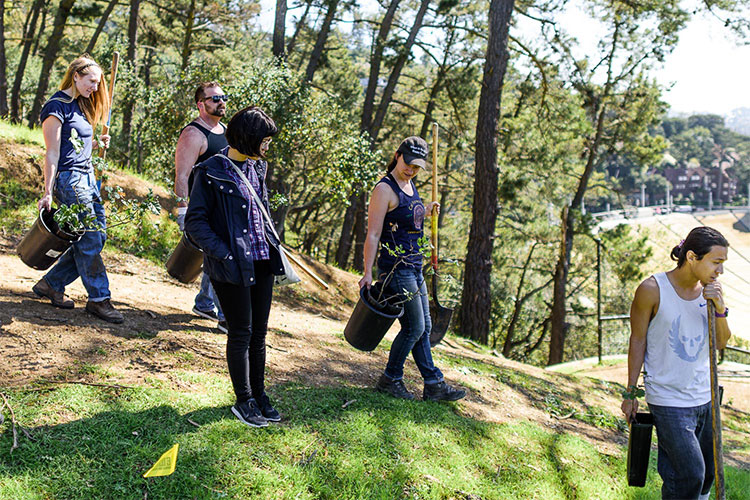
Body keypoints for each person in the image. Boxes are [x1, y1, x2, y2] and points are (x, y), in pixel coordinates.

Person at [185, 106, 285, 428]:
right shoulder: (211, 170)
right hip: (232, 266)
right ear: (248, 138)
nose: (267, 147)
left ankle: (260, 394)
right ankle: (243, 401)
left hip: (262, 262)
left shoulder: (257, 168)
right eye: (264, 141)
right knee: (240, 332)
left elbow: (261, 212)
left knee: (259, 334)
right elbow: (195, 223)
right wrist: (225, 255)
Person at [622, 226, 731, 500]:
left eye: (722, 264)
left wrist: (720, 309)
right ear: (692, 257)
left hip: (705, 396)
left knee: (706, 476)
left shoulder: (711, 292)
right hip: (668, 400)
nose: (720, 271)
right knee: (689, 474)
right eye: (716, 262)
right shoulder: (651, 289)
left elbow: (721, 343)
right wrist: (631, 392)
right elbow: (637, 341)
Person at [359, 136, 466, 402]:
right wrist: (368, 273)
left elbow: (407, 217)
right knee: (414, 328)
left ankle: (433, 384)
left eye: (417, 167)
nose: (411, 170)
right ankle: (390, 378)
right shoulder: (384, 190)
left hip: (415, 265)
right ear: (397, 155)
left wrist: (427, 210)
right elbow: (373, 234)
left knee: (424, 326)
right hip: (396, 268)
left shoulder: (410, 185)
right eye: (408, 164)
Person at [32, 54, 123, 324]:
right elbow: (52, 153)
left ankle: (51, 283)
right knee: (91, 238)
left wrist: (96, 145)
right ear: (76, 76)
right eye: (91, 81)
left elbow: (77, 147)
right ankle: (99, 299)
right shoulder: (56, 107)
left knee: (97, 237)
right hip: (70, 180)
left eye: (98, 83)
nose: (95, 87)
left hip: (88, 177)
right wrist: (48, 191)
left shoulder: (81, 105)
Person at [174, 82, 229, 332]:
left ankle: (205, 303)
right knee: (220, 256)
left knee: (214, 256)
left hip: (223, 209)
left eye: (223, 97)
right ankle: (228, 316)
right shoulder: (193, 134)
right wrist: (183, 210)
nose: (221, 102)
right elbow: (182, 175)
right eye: (214, 98)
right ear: (201, 104)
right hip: (201, 209)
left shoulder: (226, 131)